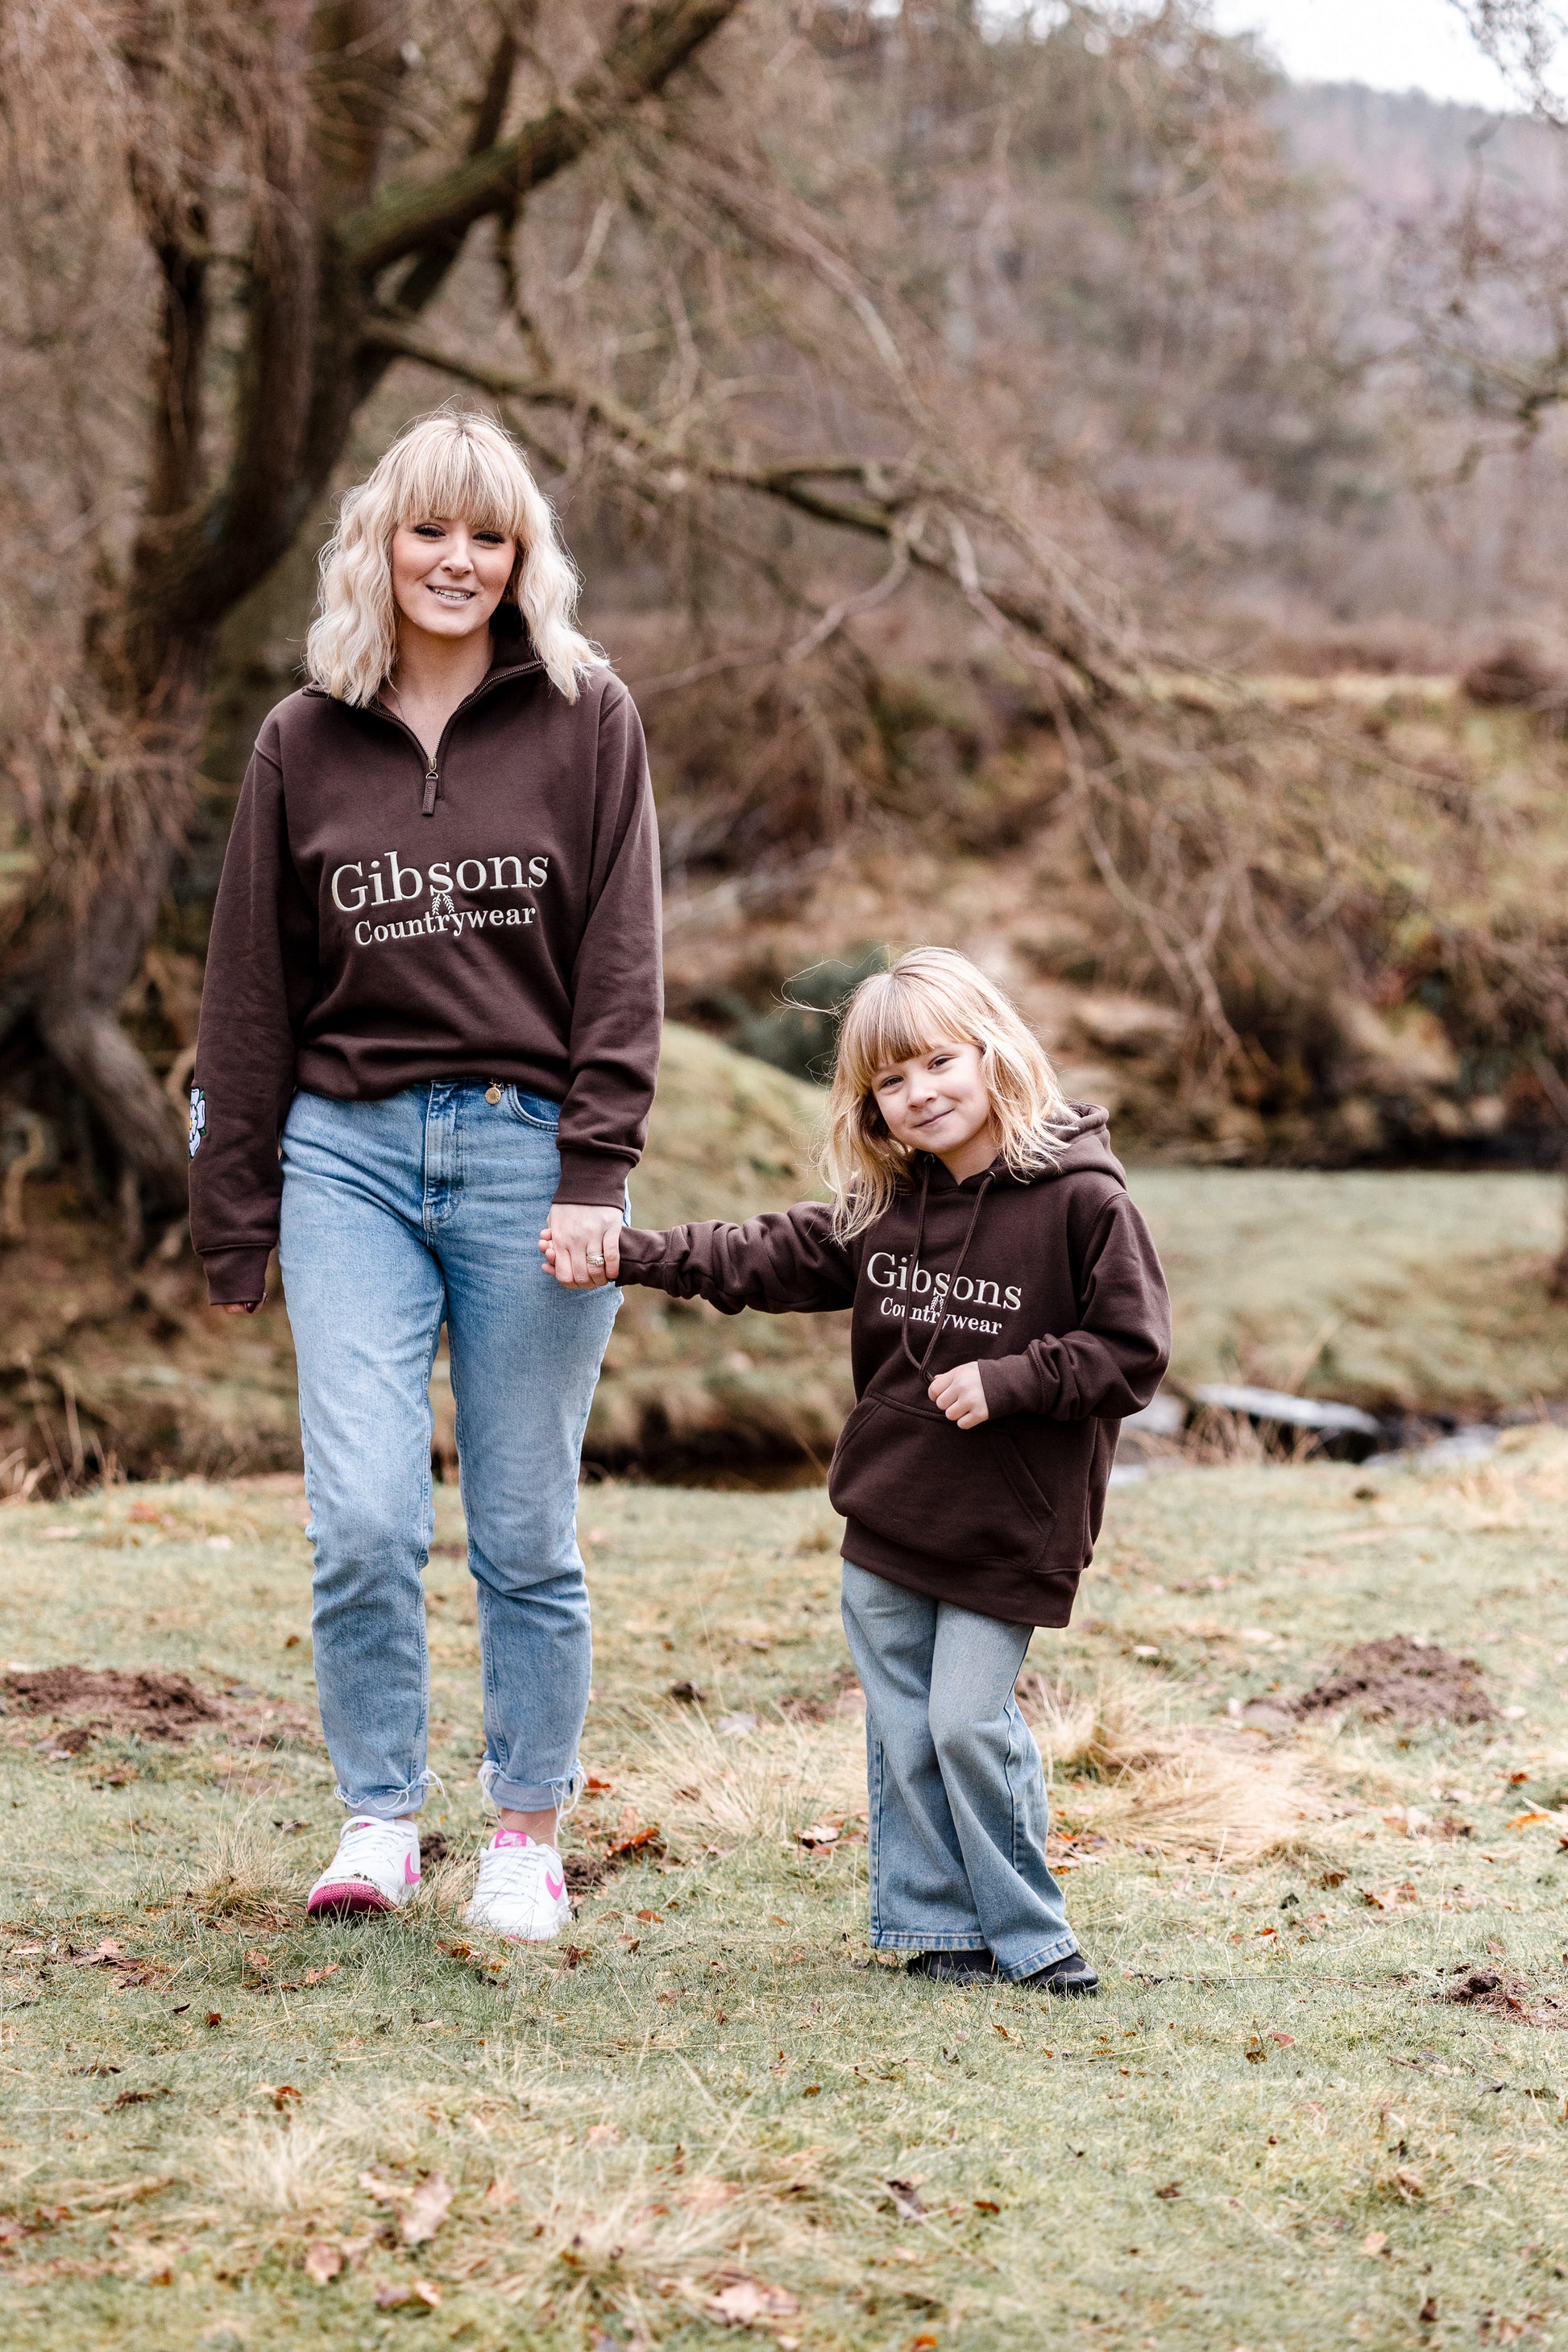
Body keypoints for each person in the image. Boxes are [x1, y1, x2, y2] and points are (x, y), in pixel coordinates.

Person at [189, 407, 661, 1942]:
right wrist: (234, 1213)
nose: (457, 560)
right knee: (366, 1519)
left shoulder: (590, 720)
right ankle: (380, 1816)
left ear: (523, 557)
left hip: (534, 1157)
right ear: (377, 548)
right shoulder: (300, 738)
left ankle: (523, 1832)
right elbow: (248, 991)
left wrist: (597, 1170)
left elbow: (622, 968)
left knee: (523, 1529)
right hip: (347, 1159)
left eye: (489, 534)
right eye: (429, 530)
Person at [545, 948, 1168, 1991]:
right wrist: (631, 1253)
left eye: (935, 1063)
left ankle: (1033, 1939)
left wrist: (1012, 1379)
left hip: (1009, 1527)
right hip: (886, 1519)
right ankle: (935, 1933)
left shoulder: (1083, 1204)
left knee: (968, 1724)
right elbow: (751, 1255)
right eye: (889, 1080)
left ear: (990, 1053)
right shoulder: (885, 1207)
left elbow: (1133, 1353)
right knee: (903, 1735)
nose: (918, 1094)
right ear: (868, 1102)